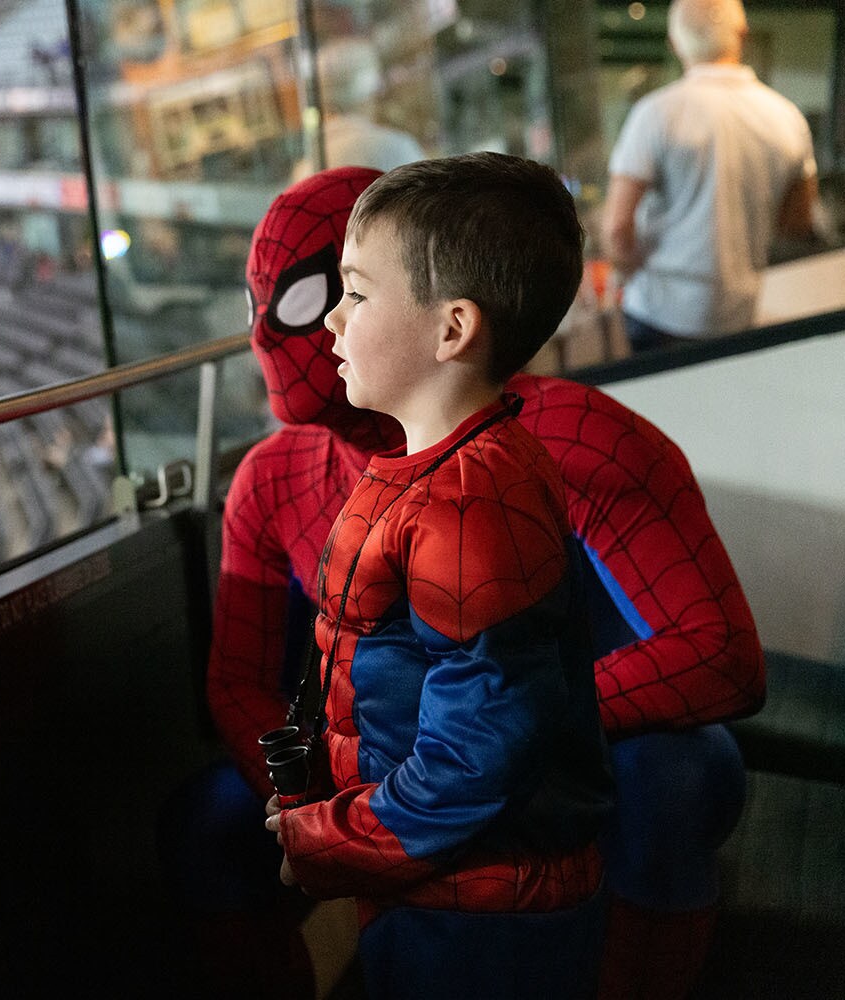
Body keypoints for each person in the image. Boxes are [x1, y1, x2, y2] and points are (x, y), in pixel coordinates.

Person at [211, 165, 763, 998]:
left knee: (665, 781)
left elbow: (718, 655)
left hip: (522, 790)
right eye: (268, 307)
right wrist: (312, 798)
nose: (310, 328)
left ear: (453, 323)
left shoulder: (547, 453)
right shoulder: (278, 477)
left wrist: (369, 808)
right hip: (419, 780)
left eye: (349, 292)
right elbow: (237, 681)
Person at [261, 152, 613, 998]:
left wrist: (327, 841)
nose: (331, 326)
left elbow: (476, 759)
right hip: (443, 889)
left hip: (486, 914)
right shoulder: (444, 470)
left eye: (357, 293)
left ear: (453, 329)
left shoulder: (470, 501)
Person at [601, 0, 818, 350]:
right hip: (739, 313)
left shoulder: (656, 113)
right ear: (743, 35)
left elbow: (616, 228)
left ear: (674, 43)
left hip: (659, 312)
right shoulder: (787, 118)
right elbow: (797, 223)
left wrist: (627, 268)